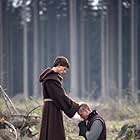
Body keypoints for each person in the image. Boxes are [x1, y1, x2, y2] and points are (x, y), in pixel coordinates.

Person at [39, 56, 80, 140]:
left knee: (50, 132)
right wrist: (75, 106)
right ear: (58, 65)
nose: (64, 72)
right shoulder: (52, 79)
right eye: (63, 69)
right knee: (54, 132)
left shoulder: (50, 78)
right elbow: (61, 97)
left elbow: (60, 96)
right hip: (52, 109)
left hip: (51, 108)